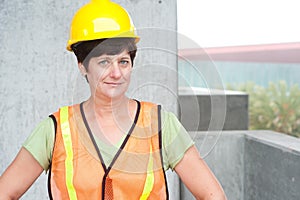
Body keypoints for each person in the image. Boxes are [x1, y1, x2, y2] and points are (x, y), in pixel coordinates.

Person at [0, 0, 226, 199]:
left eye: (123, 61)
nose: (116, 73)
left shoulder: (160, 125)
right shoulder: (56, 130)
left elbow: (213, 195)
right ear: (82, 66)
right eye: (104, 62)